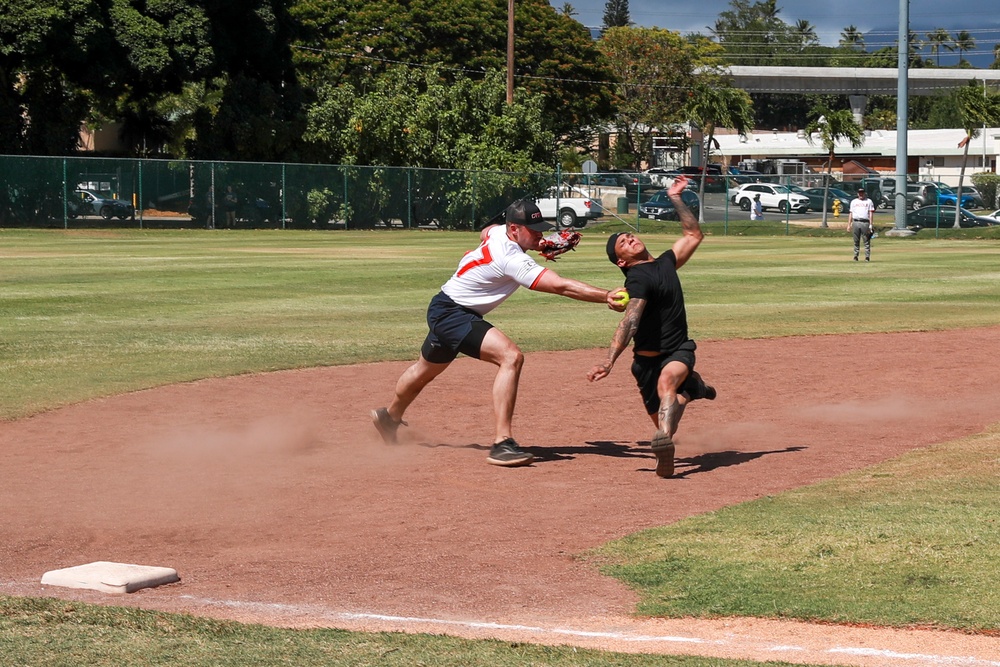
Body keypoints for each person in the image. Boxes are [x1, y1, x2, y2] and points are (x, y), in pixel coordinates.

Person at [371, 199, 625, 467]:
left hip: (445, 307)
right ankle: (502, 443)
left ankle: (389, 417)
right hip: (453, 314)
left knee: (425, 370)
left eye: (540, 228)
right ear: (514, 229)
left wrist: (535, 243)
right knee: (510, 357)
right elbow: (560, 286)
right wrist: (605, 295)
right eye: (533, 229)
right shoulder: (511, 258)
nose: (540, 234)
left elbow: (487, 231)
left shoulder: (497, 233)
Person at [588, 175, 716, 479]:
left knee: (667, 388)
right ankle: (692, 392)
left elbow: (693, 234)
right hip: (644, 362)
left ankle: (664, 448)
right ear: (621, 261)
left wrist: (675, 198)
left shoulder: (667, 263)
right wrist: (610, 360)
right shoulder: (637, 279)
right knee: (665, 411)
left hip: (677, 351)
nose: (630, 239)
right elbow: (630, 320)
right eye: (623, 243)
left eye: (629, 236)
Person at [848, 187, 876, 261]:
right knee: (856, 240)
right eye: (860, 193)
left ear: (864, 193)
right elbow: (851, 213)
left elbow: (871, 213)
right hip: (856, 222)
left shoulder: (868, 201)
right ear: (857, 193)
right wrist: (849, 224)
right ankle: (855, 256)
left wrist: (871, 224)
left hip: (865, 222)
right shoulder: (854, 202)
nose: (861, 194)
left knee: (866, 240)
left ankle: (867, 256)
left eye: (862, 193)